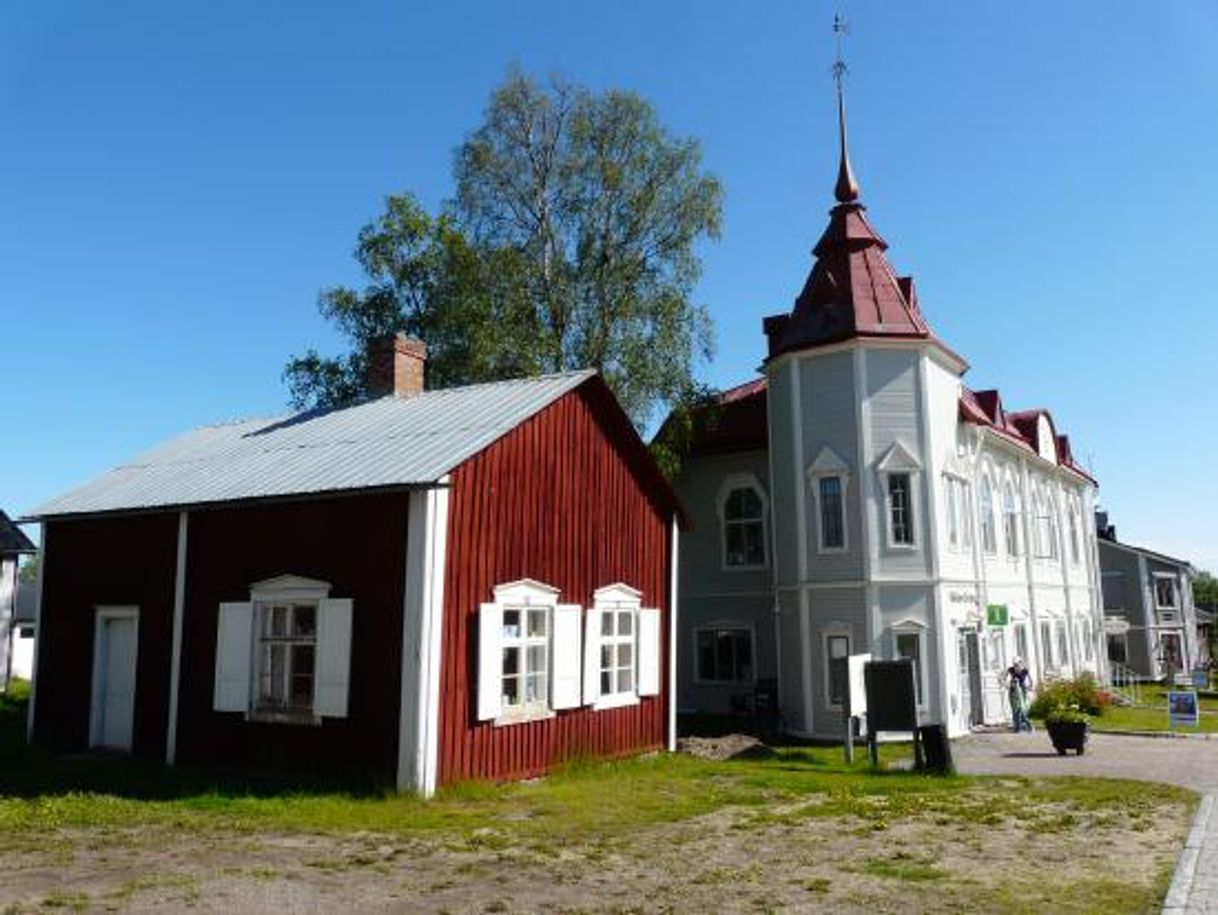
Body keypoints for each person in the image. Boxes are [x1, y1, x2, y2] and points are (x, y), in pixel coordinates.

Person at [1006, 657, 1034, 732]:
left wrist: (1030, 687)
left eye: (1018, 664)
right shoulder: (1011, 670)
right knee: (1015, 709)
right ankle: (1017, 727)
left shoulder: (1025, 671)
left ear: (1021, 663)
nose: (1016, 666)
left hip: (1022, 690)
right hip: (1013, 691)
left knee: (1021, 709)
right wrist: (1008, 684)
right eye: (1015, 664)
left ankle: (1028, 725)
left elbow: (1031, 680)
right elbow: (1004, 678)